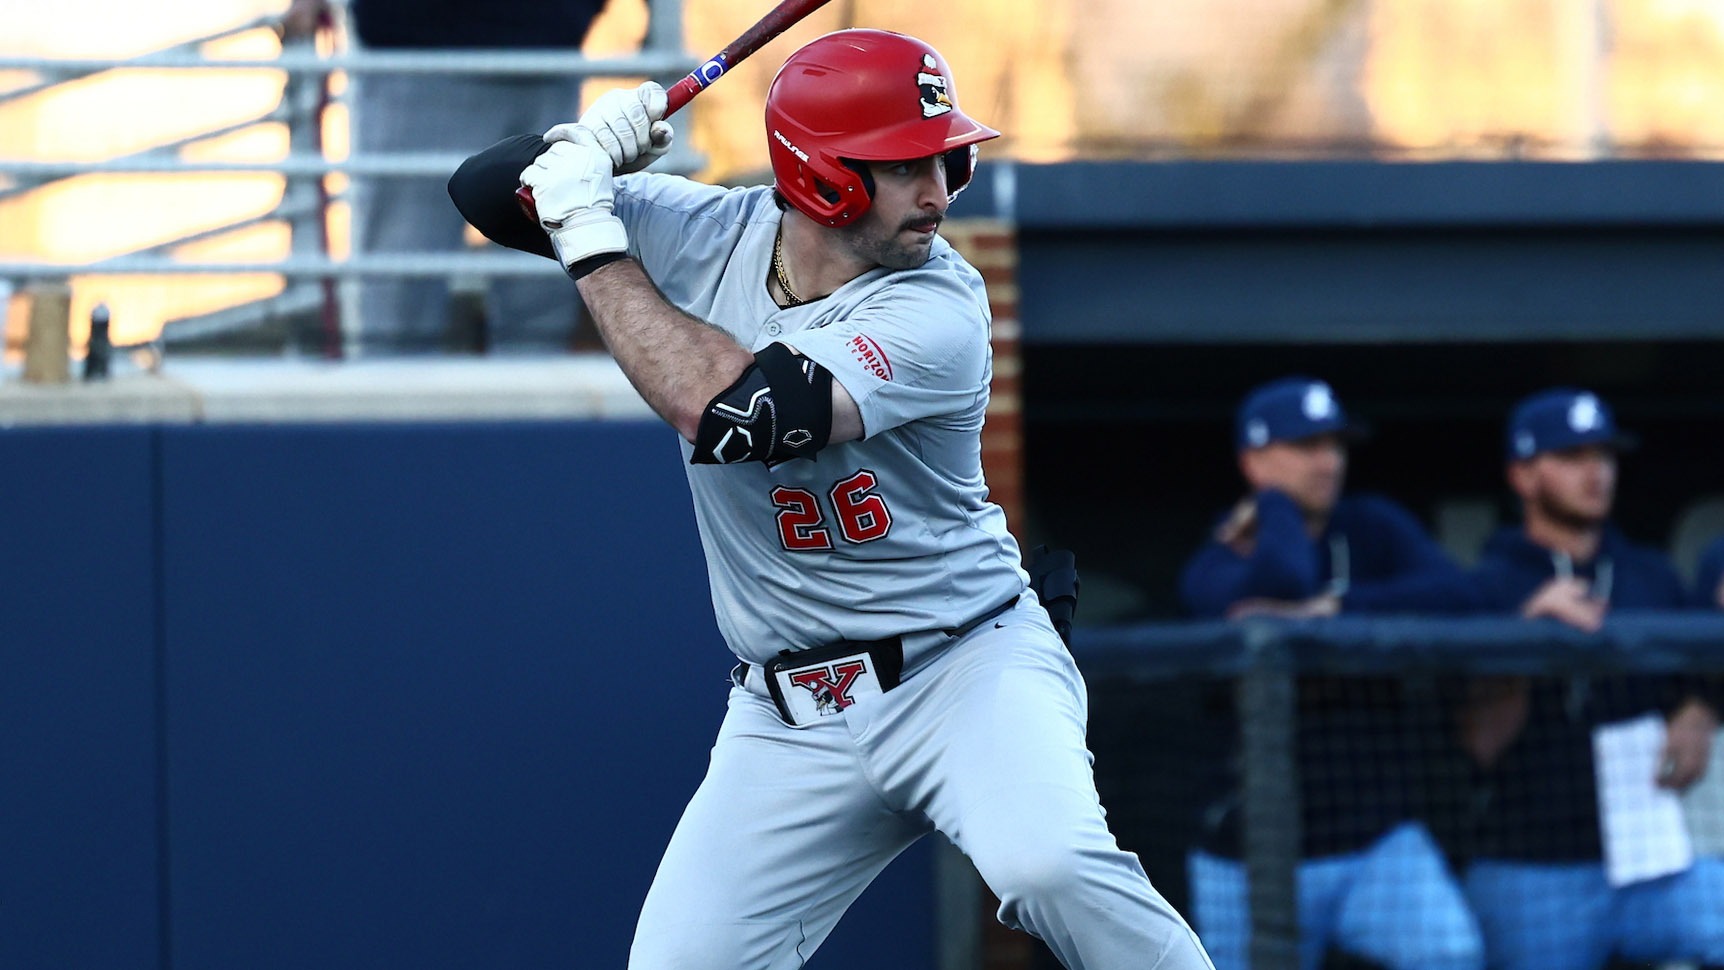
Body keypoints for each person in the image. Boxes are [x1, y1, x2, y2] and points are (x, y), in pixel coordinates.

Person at [447, 29, 1214, 970]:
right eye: (904, 165)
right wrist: (582, 148)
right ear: (821, 176)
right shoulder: (710, 231)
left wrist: (591, 232)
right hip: (786, 713)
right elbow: (483, 192)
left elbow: (729, 413)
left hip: (963, 667)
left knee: (1047, 864)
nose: (937, 190)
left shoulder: (939, 307)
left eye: (946, 156)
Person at [1178, 376, 1484, 970]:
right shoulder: (1223, 553)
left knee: (1450, 951)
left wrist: (1336, 610)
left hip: (1370, 842)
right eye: (1305, 446)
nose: (1328, 462)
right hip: (1245, 856)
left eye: (1335, 446)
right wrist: (1272, 507)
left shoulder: (1372, 526)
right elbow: (1283, 579)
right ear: (1254, 459)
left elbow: (1461, 595)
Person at [1449, 387, 1724, 970]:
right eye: (1571, 458)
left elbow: (1694, 674)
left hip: (1651, 859)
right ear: (1523, 476)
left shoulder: (1650, 575)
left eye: (1602, 457)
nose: (1595, 473)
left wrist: (1701, 710)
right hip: (1530, 864)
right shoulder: (1485, 586)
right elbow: (1479, 742)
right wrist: (1526, 639)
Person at [281, 0, 609, 353]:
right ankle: (392, 396)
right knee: (400, 294)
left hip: (542, 48)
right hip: (425, 48)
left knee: (539, 294)